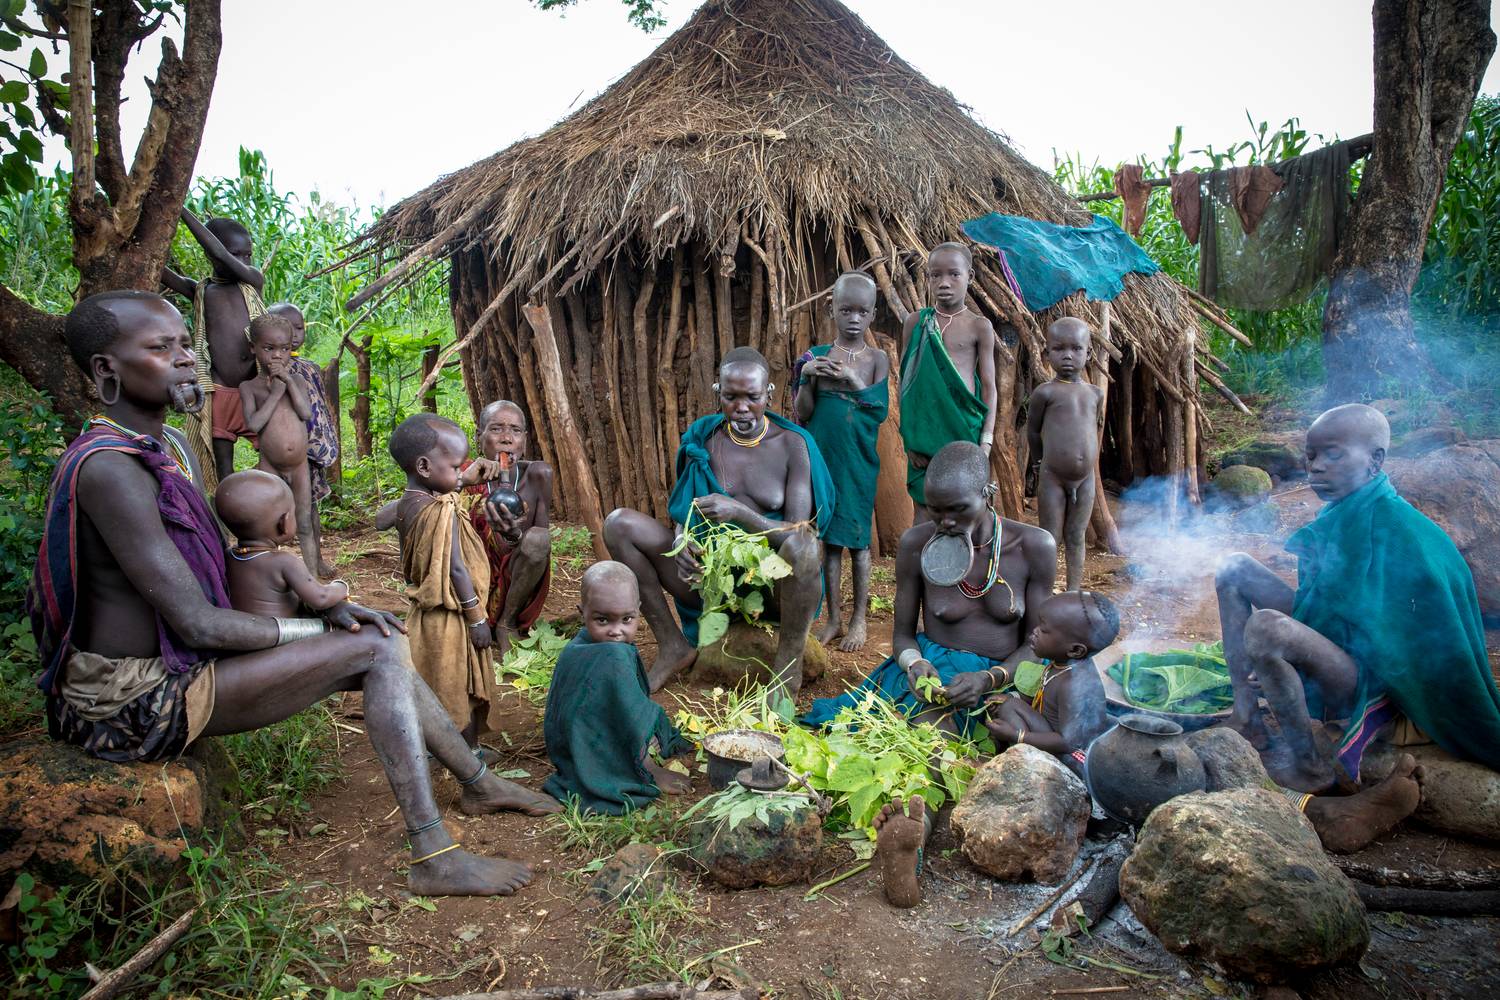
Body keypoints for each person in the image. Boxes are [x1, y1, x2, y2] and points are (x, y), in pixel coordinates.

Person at [31, 290, 557, 899]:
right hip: (131, 698)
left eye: (184, 344)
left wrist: (323, 604)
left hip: (174, 668)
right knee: (376, 648)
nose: (185, 360)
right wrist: (322, 627)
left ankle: (476, 781)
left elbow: (218, 575)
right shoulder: (111, 470)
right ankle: (434, 853)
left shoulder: (165, 451)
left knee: (373, 637)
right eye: (160, 348)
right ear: (105, 369)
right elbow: (199, 624)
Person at [805, 441, 1056, 908]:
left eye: (957, 510)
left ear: (990, 491)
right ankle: (913, 836)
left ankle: (913, 828)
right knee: (921, 738)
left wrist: (990, 680)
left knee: (966, 742)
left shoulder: (1033, 547)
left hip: (997, 682)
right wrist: (916, 666)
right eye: (935, 510)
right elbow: (902, 636)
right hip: (929, 674)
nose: (944, 522)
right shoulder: (917, 543)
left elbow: (1037, 648)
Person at [1216, 403, 1500, 794]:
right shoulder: (1344, 513)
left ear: (1375, 461)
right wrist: (1301, 649)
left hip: (1380, 683)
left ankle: (1311, 767)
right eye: (1312, 456)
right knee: (1234, 567)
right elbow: (1329, 608)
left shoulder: (1405, 535)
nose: (1315, 467)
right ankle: (1247, 716)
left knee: (1267, 629)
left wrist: (1296, 657)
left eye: (1333, 455)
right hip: (1346, 652)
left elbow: (1410, 652)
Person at [605, 346, 835, 700]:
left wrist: (742, 514)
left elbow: (797, 535)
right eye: (731, 397)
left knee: (806, 546)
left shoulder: (793, 445)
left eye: (752, 397)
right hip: (709, 581)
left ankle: (787, 672)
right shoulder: (704, 439)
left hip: (770, 589)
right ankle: (672, 645)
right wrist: (683, 543)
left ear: (769, 394)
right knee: (618, 524)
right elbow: (686, 507)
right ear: (718, 393)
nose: (741, 407)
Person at [388, 414, 503, 755]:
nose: (460, 475)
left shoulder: (406, 505)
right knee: (458, 689)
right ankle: (468, 757)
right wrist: (477, 618)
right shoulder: (441, 512)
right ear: (424, 466)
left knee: (435, 682)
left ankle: (438, 750)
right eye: (454, 467)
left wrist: (458, 482)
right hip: (452, 617)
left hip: (423, 617)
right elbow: (454, 568)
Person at [542, 562, 692, 814]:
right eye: (603, 620)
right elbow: (627, 716)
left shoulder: (581, 645)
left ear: (638, 611)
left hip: (567, 746)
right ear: (582, 613)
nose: (616, 631)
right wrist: (650, 770)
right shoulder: (613, 657)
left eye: (627, 619)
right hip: (587, 746)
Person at [793, 272, 890, 652]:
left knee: (859, 545)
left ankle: (859, 620)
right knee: (829, 543)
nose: (853, 317)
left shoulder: (876, 359)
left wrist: (851, 379)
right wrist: (804, 378)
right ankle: (833, 618)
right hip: (823, 461)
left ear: (872, 315)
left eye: (861, 311)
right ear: (831, 308)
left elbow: (879, 411)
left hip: (858, 462)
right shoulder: (814, 356)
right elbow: (803, 413)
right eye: (845, 309)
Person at [160, 208, 266, 490]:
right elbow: (159, 270)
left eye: (246, 254)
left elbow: (221, 255)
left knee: (274, 455)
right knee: (223, 467)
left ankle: (266, 512)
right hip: (219, 391)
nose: (241, 260)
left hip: (255, 387)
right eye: (236, 254)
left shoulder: (252, 281)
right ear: (210, 254)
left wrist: (179, 208)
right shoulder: (203, 291)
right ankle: (228, 523)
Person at [898, 243, 998, 519]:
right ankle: (920, 561)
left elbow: (989, 387)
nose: (944, 283)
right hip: (924, 433)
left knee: (965, 509)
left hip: (964, 428)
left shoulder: (980, 326)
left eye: (954, 274)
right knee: (924, 510)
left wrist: (985, 442)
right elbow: (906, 383)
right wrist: (910, 439)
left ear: (970, 277)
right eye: (935, 275)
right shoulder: (916, 322)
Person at [984, 590, 1117, 774]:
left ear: (1075, 650)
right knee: (1009, 703)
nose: (1034, 632)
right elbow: (1047, 704)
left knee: (1009, 708)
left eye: (1044, 630)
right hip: (1051, 732)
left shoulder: (1073, 684)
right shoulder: (1062, 665)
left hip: (1069, 757)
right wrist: (1012, 699)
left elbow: (1068, 743)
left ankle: (1025, 768)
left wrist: (1017, 735)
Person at [465, 401, 554, 659]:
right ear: (479, 436)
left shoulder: (538, 475)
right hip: (468, 582)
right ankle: (469, 619)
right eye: (496, 429)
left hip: (514, 580)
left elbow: (540, 549)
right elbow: (389, 516)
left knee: (537, 539)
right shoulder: (464, 475)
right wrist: (459, 484)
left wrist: (514, 536)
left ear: (524, 441)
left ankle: (507, 622)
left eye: (515, 431)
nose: (506, 439)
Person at [239, 313, 320, 577]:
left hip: (299, 466)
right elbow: (254, 425)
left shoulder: (296, 381)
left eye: (285, 349)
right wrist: (274, 394)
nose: (278, 356)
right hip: (269, 465)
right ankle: (271, 579)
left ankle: (312, 580)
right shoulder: (249, 387)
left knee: (304, 522)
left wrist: (286, 383)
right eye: (269, 348)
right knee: (268, 525)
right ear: (253, 348)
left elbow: (306, 413)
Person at [1025, 318, 1104, 591]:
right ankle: (1042, 593)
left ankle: (1073, 592)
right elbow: (1033, 432)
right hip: (1052, 477)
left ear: (1088, 353)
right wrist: (1038, 463)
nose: (1068, 355)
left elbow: (1093, 431)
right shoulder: (1044, 393)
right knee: (1050, 536)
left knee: (1076, 535)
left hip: (1086, 479)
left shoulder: (1095, 394)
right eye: (1059, 349)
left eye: (1076, 349)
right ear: (1046, 354)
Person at [267, 302, 339, 577]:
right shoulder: (268, 374)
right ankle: (277, 566)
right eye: (288, 329)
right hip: (286, 450)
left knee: (310, 508)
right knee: (279, 508)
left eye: (299, 328)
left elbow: (319, 410)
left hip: (312, 450)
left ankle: (316, 560)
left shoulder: (308, 367)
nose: (295, 335)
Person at [215, 470, 349, 618]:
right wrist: (341, 586)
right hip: (284, 636)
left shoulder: (227, 555)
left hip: (248, 634)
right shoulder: (285, 562)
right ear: (284, 523)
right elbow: (320, 598)